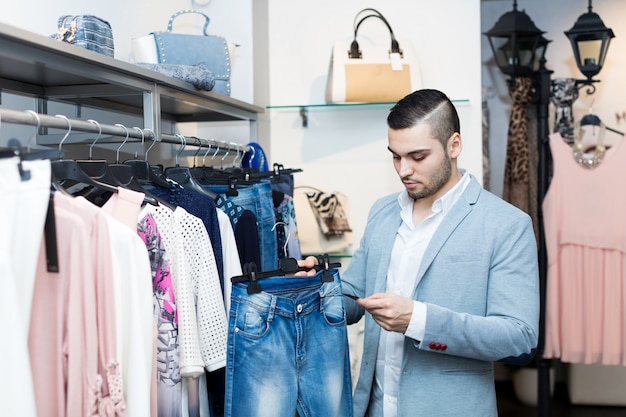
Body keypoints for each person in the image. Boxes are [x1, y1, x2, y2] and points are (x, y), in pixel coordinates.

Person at [299, 88, 539, 417]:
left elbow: (519, 337)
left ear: (454, 145)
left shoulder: (507, 225)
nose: (403, 170)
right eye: (395, 156)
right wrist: (316, 290)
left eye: (417, 156)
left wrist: (419, 321)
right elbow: (354, 296)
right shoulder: (382, 212)